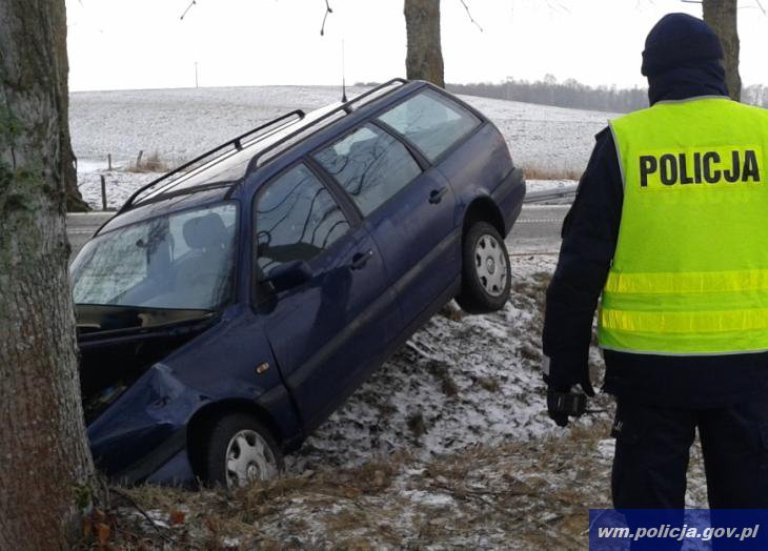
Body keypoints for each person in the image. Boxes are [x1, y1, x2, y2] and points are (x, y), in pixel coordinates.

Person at [542, 12, 768, 513]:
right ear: (719, 67)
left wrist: (564, 366)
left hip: (649, 375)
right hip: (752, 368)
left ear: (652, 75)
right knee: (751, 518)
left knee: (647, 521)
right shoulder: (764, 136)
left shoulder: (624, 144)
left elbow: (580, 267)